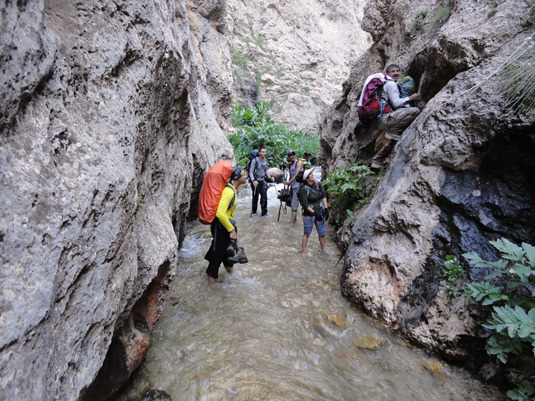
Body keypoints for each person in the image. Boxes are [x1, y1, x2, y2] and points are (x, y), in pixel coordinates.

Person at [371, 64, 422, 169]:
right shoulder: (390, 84)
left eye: (398, 71)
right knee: (415, 111)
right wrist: (411, 97)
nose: (396, 73)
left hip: (382, 118)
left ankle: (377, 160)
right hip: (386, 118)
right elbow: (396, 103)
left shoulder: (386, 84)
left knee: (392, 139)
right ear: (388, 73)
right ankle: (394, 130)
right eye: (393, 71)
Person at [204, 166, 248, 285]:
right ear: (237, 177)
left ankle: (234, 275)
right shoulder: (229, 191)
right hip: (222, 228)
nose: (246, 176)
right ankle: (210, 287)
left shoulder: (232, 189)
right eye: (244, 174)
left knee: (228, 253)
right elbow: (220, 213)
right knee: (217, 256)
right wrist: (231, 230)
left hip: (226, 227)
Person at [298, 168, 328, 254]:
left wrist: (326, 209)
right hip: (309, 213)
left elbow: (323, 196)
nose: (312, 175)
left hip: (320, 210)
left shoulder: (318, 184)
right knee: (307, 233)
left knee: (322, 233)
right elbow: (305, 204)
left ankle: (323, 250)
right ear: (307, 179)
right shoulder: (303, 188)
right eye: (310, 174)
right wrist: (315, 213)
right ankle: (303, 252)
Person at [249, 147, 275, 216]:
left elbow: (265, 169)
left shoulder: (265, 160)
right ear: (259, 153)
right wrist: (253, 180)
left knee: (264, 197)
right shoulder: (255, 160)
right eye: (263, 152)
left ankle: (264, 213)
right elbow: (251, 172)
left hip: (262, 180)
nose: (264, 153)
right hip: (256, 181)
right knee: (255, 197)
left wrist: (270, 177)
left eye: (265, 152)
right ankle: (254, 212)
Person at [283, 151, 304, 226]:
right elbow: (291, 176)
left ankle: (292, 223)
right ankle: (294, 220)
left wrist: (289, 182)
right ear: (288, 157)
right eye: (290, 155)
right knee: (292, 203)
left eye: (293, 155)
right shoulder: (290, 165)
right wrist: (289, 185)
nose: (292, 156)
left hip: (299, 186)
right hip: (293, 186)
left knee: (294, 204)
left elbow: (296, 174)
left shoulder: (298, 163)